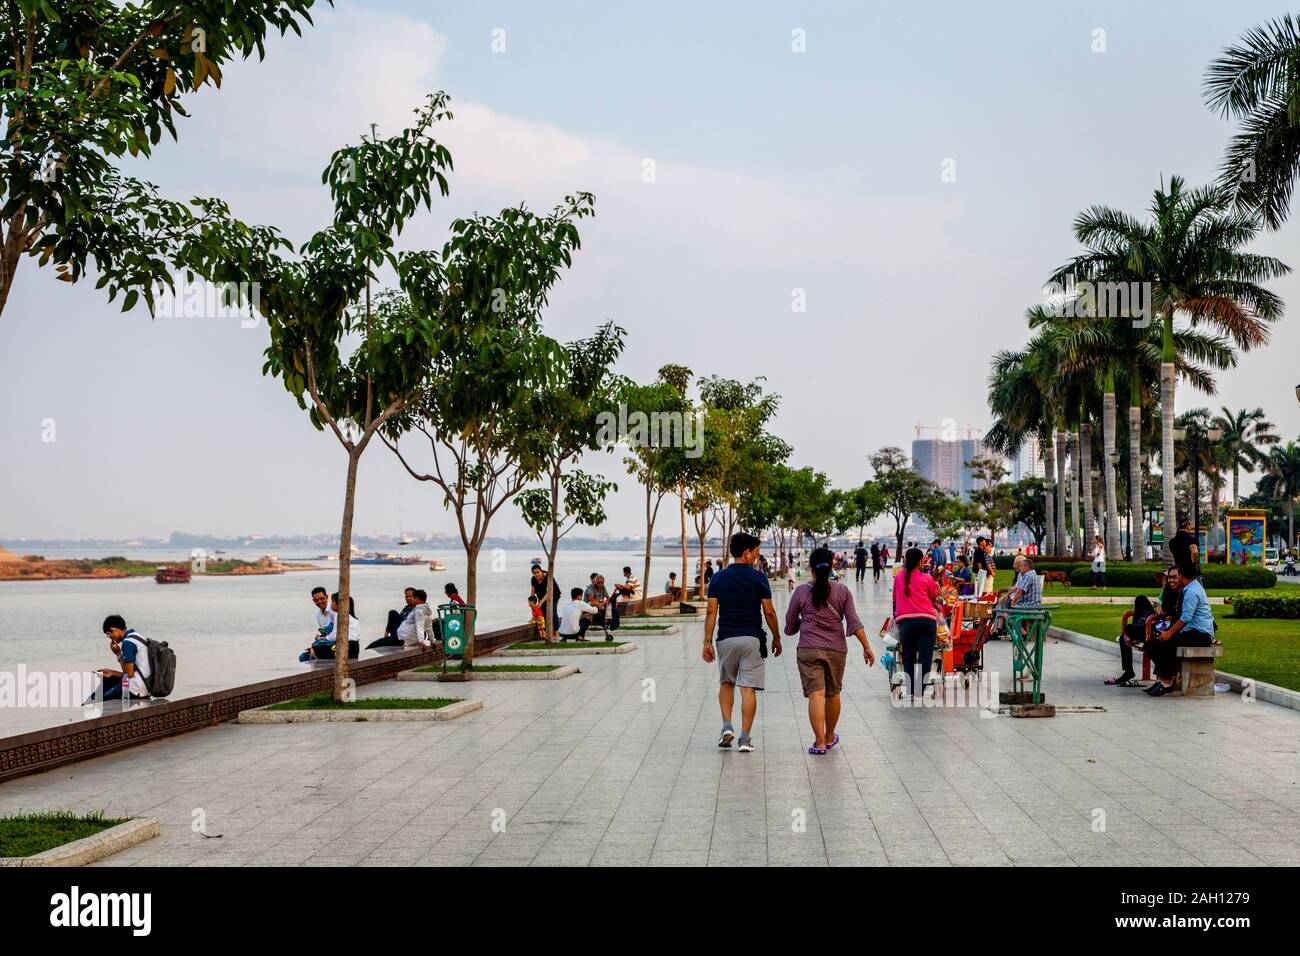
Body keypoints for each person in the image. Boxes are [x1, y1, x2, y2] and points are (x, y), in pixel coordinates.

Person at [785, 547, 874, 754]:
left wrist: (800, 624)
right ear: (832, 565)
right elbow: (854, 622)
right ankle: (829, 735)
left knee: (816, 695)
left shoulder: (800, 591)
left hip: (808, 649)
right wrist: (866, 647)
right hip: (836, 650)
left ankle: (819, 742)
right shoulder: (842, 592)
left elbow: (790, 625)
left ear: (811, 568)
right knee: (833, 694)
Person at [703, 532, 782, 752]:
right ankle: (745, 739)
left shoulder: (718, 578)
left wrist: (706, 641)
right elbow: (769, 612)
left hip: (726, 638)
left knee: (727, 683)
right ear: (747, 553)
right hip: (751, 639)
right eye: (756, 553)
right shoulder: (758, 578)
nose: (757, 558)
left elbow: (711, 611)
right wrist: (776, 637)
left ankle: (727, 726)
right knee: (748, 689)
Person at [1144, 561, 1215, 697]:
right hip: (1190, 632)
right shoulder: (1189, 588)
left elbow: (1186, 618)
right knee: (1151, 644)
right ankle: (1161, 678)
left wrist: (1169, 634)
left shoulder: (1192, 591)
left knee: (1170, 642)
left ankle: (1167, 680)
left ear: (1181, 575)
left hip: (1202, 634)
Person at [1106, 566, 1180, 686]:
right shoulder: (1165, 592)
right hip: (1155, 620)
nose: (1168, 581)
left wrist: (1161, 612)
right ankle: (1128, 671)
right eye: (1166, 578)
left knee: (1127, 631)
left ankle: (1132, 636)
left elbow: (1172, 615)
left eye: (1171, 578)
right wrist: (1158, 607)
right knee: (1140, 600)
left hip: (1160, 625)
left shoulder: (1178, 593)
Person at [893, 548, 940, 699]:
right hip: (927, 621)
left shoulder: (899, 577)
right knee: (925, 657)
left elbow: (895, 598)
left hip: (906, 622)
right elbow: (934, 595)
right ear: (920, 561)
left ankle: (912, 690)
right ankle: (919, 690)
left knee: (909, 656)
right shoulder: (926, 578)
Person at [97, 614, 152, 701]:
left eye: (109, 634)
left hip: (136, 689)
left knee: (101, 699)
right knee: (109, 679)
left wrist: (118, 654)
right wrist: (112, 673)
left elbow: (129, 675)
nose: (110, 638)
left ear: (113, 629)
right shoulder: (137, 637)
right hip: (146, 685)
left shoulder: (127, 643)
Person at [530, 564, 561, 634]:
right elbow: (532, 592)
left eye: (538, 572)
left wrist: (540, 602)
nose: (537, 574)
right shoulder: (533, 579)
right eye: (534, 573)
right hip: (541, 596)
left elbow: (549, 593)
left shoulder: (548, 577)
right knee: (542, 614)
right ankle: (545, 632)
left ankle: (557, 632)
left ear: (541, 571)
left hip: (553, 596)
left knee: (553, 613)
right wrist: (533, 604)